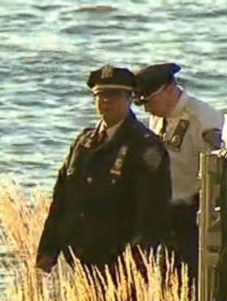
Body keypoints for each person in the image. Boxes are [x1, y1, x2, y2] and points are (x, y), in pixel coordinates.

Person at [36, 65, 171, 280]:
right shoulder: (84, 141)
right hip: (77, 257)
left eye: (115, 95)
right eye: (101, 96)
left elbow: (151, 211)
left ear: (129, 99)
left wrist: (138, 260)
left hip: (118, 261)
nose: (106, 101)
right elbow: (62, 199)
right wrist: (48, 250)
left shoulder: (144, 146)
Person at [134, 62, 223, 280]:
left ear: (169, 90)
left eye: (148, 101)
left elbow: (218, 173)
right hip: (165, 210)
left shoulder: (202, 119)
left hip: (192, 214)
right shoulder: (160, 116)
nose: (146, 109)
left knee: (194, 283)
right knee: (169, 281)